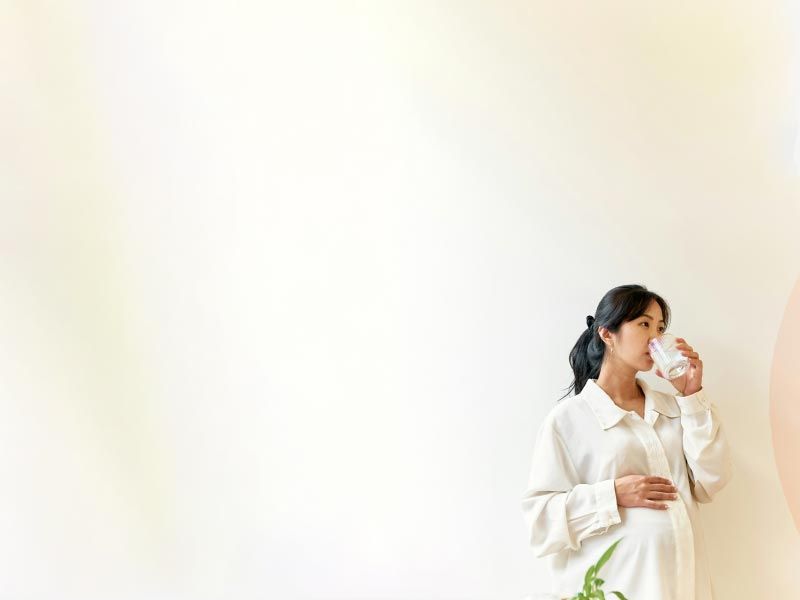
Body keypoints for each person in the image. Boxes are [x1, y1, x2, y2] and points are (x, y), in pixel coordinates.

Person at [521, 284, 732, 600]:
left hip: (682, 587)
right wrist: (613, 495)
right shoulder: (569, 420)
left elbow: (711, 481)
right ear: (607, 334)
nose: (655, 338)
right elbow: (541, 522)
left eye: (660, 328)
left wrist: (691, 395)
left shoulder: (675, 408)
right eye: (644, 324)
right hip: (615, 587)